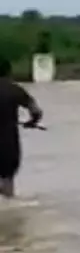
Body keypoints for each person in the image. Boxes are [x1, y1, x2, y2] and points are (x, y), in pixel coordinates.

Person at [0, 59, 43, 198]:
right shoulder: (15, 89)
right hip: (8, 142)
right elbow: (36, 111)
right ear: (9, 71)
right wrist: (31, 122)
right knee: (7, 180)